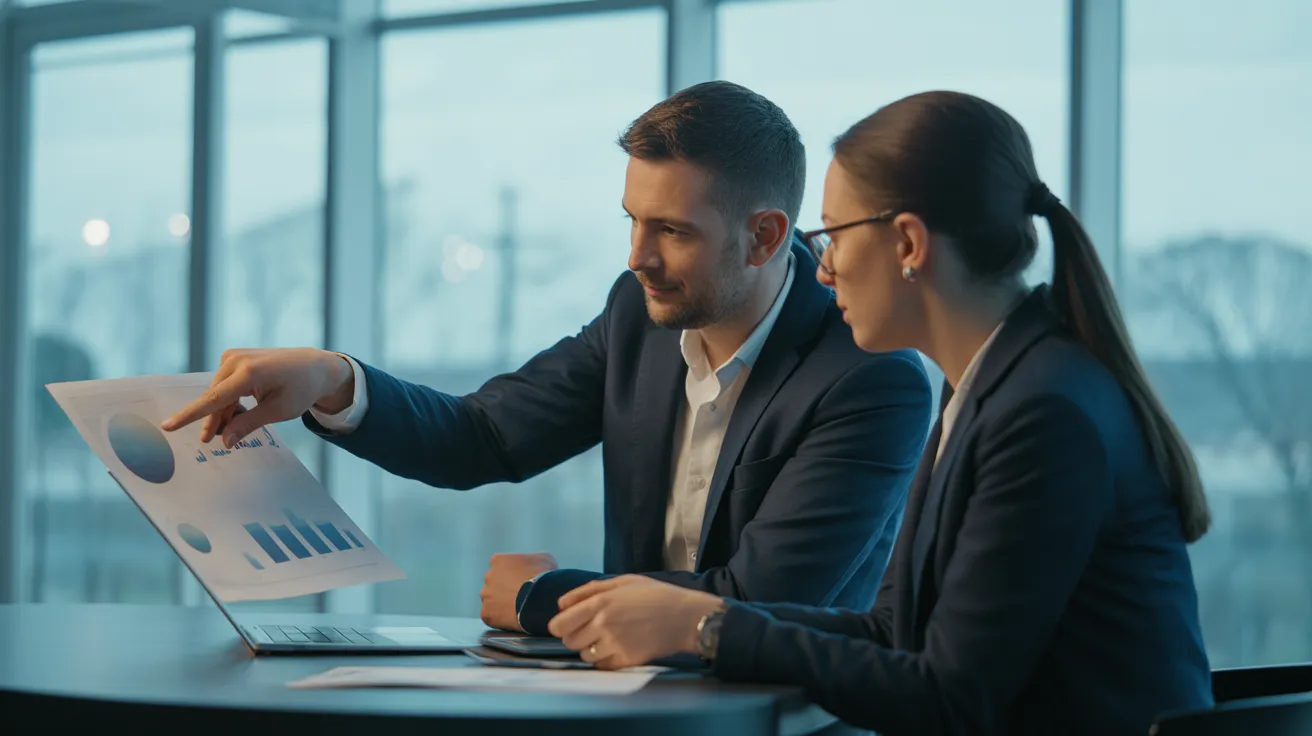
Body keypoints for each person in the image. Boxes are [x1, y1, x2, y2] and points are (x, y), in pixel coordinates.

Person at [546, 90, 1216, 735]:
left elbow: (948, 697)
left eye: (833, 234)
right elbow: (894, 629)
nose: (823, 266)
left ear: (908, 244)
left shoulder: (1041, 414)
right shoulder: (991, 385)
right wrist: (699, 617)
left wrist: (706, 629)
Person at [160, 81, 932, 637]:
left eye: (673, 231)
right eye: (632, 220)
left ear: (764, 236)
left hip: (780, 719)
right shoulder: (638, 316)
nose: (638, 257)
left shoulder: (872, 377)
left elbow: (752, 599)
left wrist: (541, 596)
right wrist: (334, 380)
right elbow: (485, 435)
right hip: (626, 700)